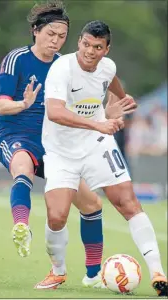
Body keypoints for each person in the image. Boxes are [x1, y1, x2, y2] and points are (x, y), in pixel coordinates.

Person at [0, 1, 135, 289]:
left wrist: (108, 114)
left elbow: (85, 108)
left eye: (61, 36)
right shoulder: (16, 59)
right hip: (17, 134)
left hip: (55, 143)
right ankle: (21, 225)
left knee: (92, 204)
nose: (56, 41)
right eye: (50, 34)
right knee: (23, 167)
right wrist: (24, 103)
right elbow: (1, 106)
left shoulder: (65, 65)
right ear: (35, 31)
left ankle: (94, 274)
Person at [35, 20, 168, 296]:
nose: (90, 51)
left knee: (128, 202)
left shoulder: (108, 67)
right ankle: (58, 271)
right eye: (85, 44)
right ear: (79, 42)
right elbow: (55, 113)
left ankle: (158, 273)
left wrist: (121, 102)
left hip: (97, 144)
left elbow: (111, 81)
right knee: (57, 216)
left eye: (97, 47)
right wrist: (101, 122)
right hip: (61, 152)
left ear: (106, 49)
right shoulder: (62, 69)